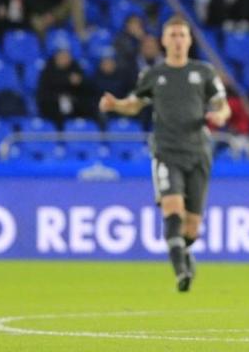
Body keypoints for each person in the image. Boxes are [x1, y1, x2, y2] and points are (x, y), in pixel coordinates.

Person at [99, 16, 231, 293]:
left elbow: (222, 103)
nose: (178, 40)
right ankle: (181, 272)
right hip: (166, 150)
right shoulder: (154, 75)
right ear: (163, 40)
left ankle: (185, 252)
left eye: (182, 35)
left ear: (189, 40)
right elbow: (134, 105)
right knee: (172, 208)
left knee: (192, 225)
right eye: (172, 35)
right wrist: (116, 105)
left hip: (198, 152)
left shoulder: (204, 72)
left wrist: (220, 114)